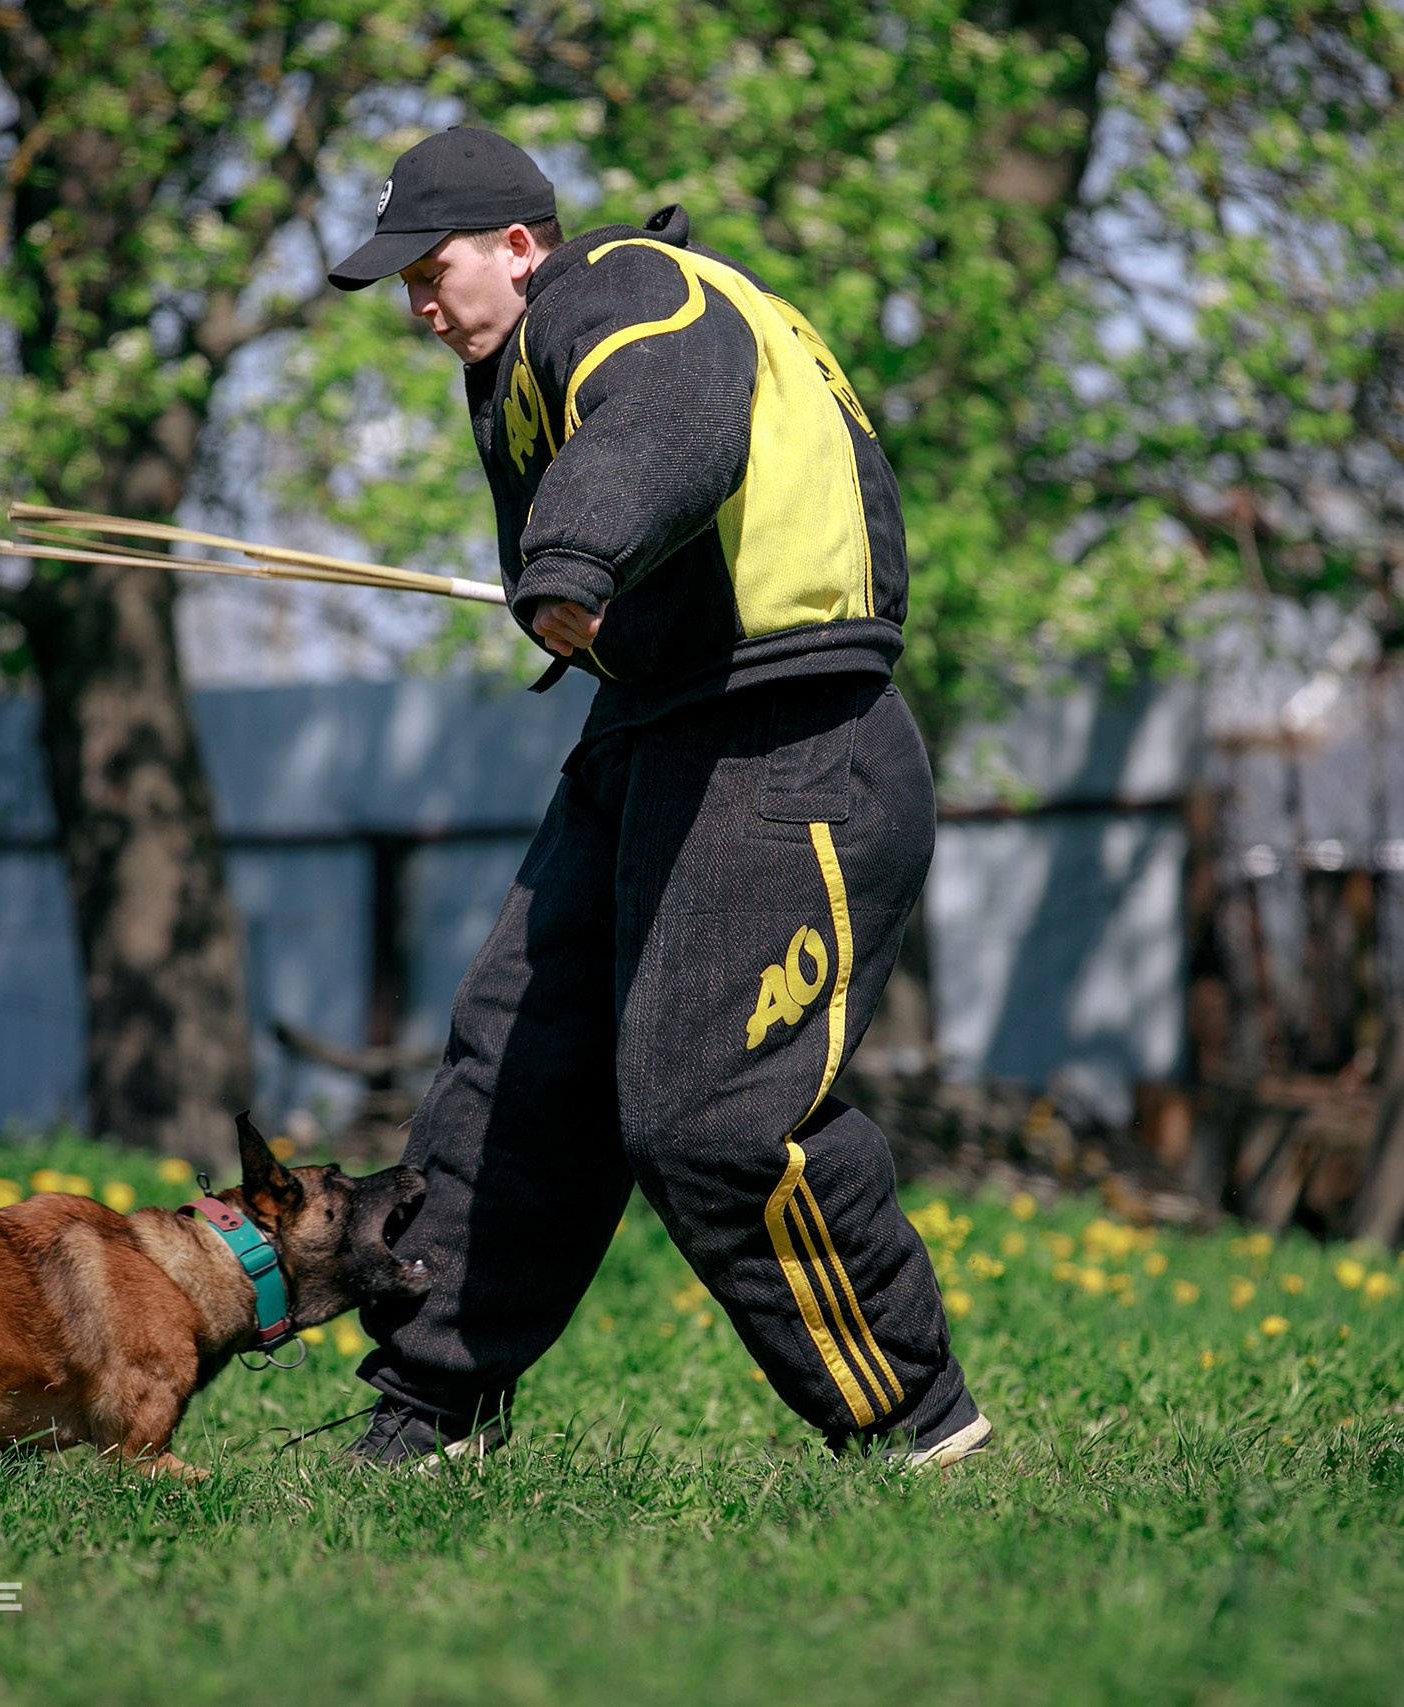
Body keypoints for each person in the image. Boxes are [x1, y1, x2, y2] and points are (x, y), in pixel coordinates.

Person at [325, 125, 987, 1468]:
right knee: (516, 1064)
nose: (418, 304)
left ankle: (918, 1430)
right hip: (658, 732)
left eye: (430, 268)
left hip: (792, 736)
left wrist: (571, 559)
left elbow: (681, 410)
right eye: (399, 284)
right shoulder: (518, 359)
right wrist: (574, 590)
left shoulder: (625, 287)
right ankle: (431, 1414)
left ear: (522, 244)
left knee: (711, 1114)